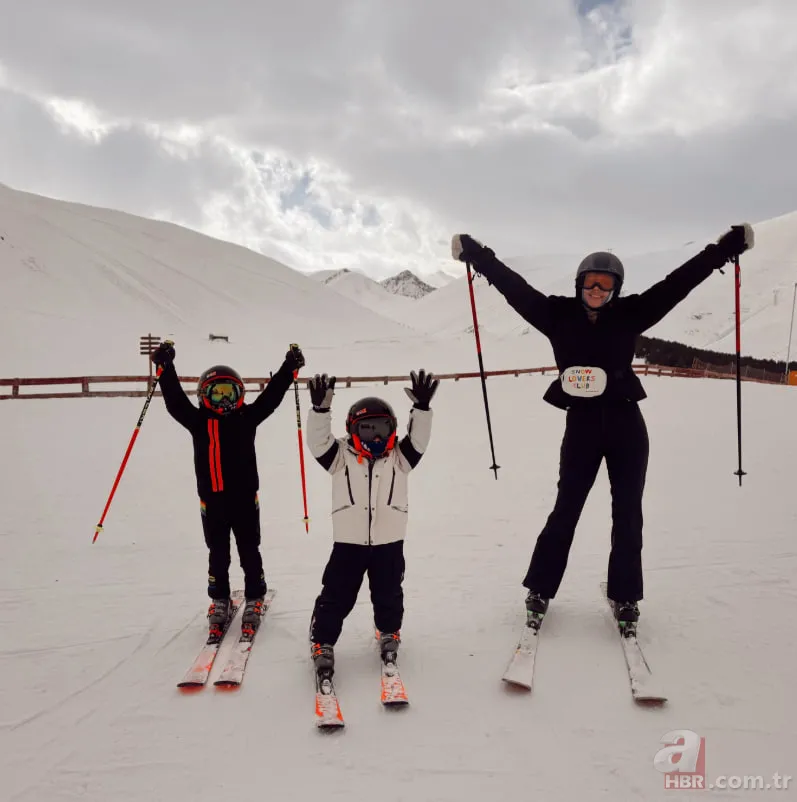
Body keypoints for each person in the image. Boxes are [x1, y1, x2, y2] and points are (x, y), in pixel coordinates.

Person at [451, 225, 754, 633]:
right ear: (580, 283)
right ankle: (540, 589)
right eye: (591, 283)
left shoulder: (631, 314)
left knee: (628, 512)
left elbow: (677, 284)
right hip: (582, 425)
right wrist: (477, 256)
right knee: (566, 509)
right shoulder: (555, 315)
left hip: (627, 423)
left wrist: (722, 251)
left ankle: (625, 595)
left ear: (616, 289)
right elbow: (514, 287)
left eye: (606, 285)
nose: (597, 290)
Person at [150, 340, 305, 637]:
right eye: (216, 393)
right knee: (217, 552)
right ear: (204, 396)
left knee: (250, 550)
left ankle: (254, 594)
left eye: (229, 393)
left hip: (245, 500)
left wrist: (289, 367)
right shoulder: (197, 421)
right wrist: (165, 368)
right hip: (212, 502)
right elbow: (174, 401)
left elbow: (271, 398)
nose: (223, 401)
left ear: (239, 394)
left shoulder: (247, 418)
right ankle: (219, 598)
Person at [305, 369, 438, 674]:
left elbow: (419, 439)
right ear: (353, 430)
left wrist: (422, 409)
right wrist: (320, 411)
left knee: (389, 592)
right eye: (367, 429)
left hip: (389, 543)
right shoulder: (341, 457)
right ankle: (322, 640)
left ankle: (389, 631)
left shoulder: (399, 458)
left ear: (392, 428)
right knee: (336, 594)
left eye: (381, 428)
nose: (375, 437)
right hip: (348, 544)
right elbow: (317, 443)